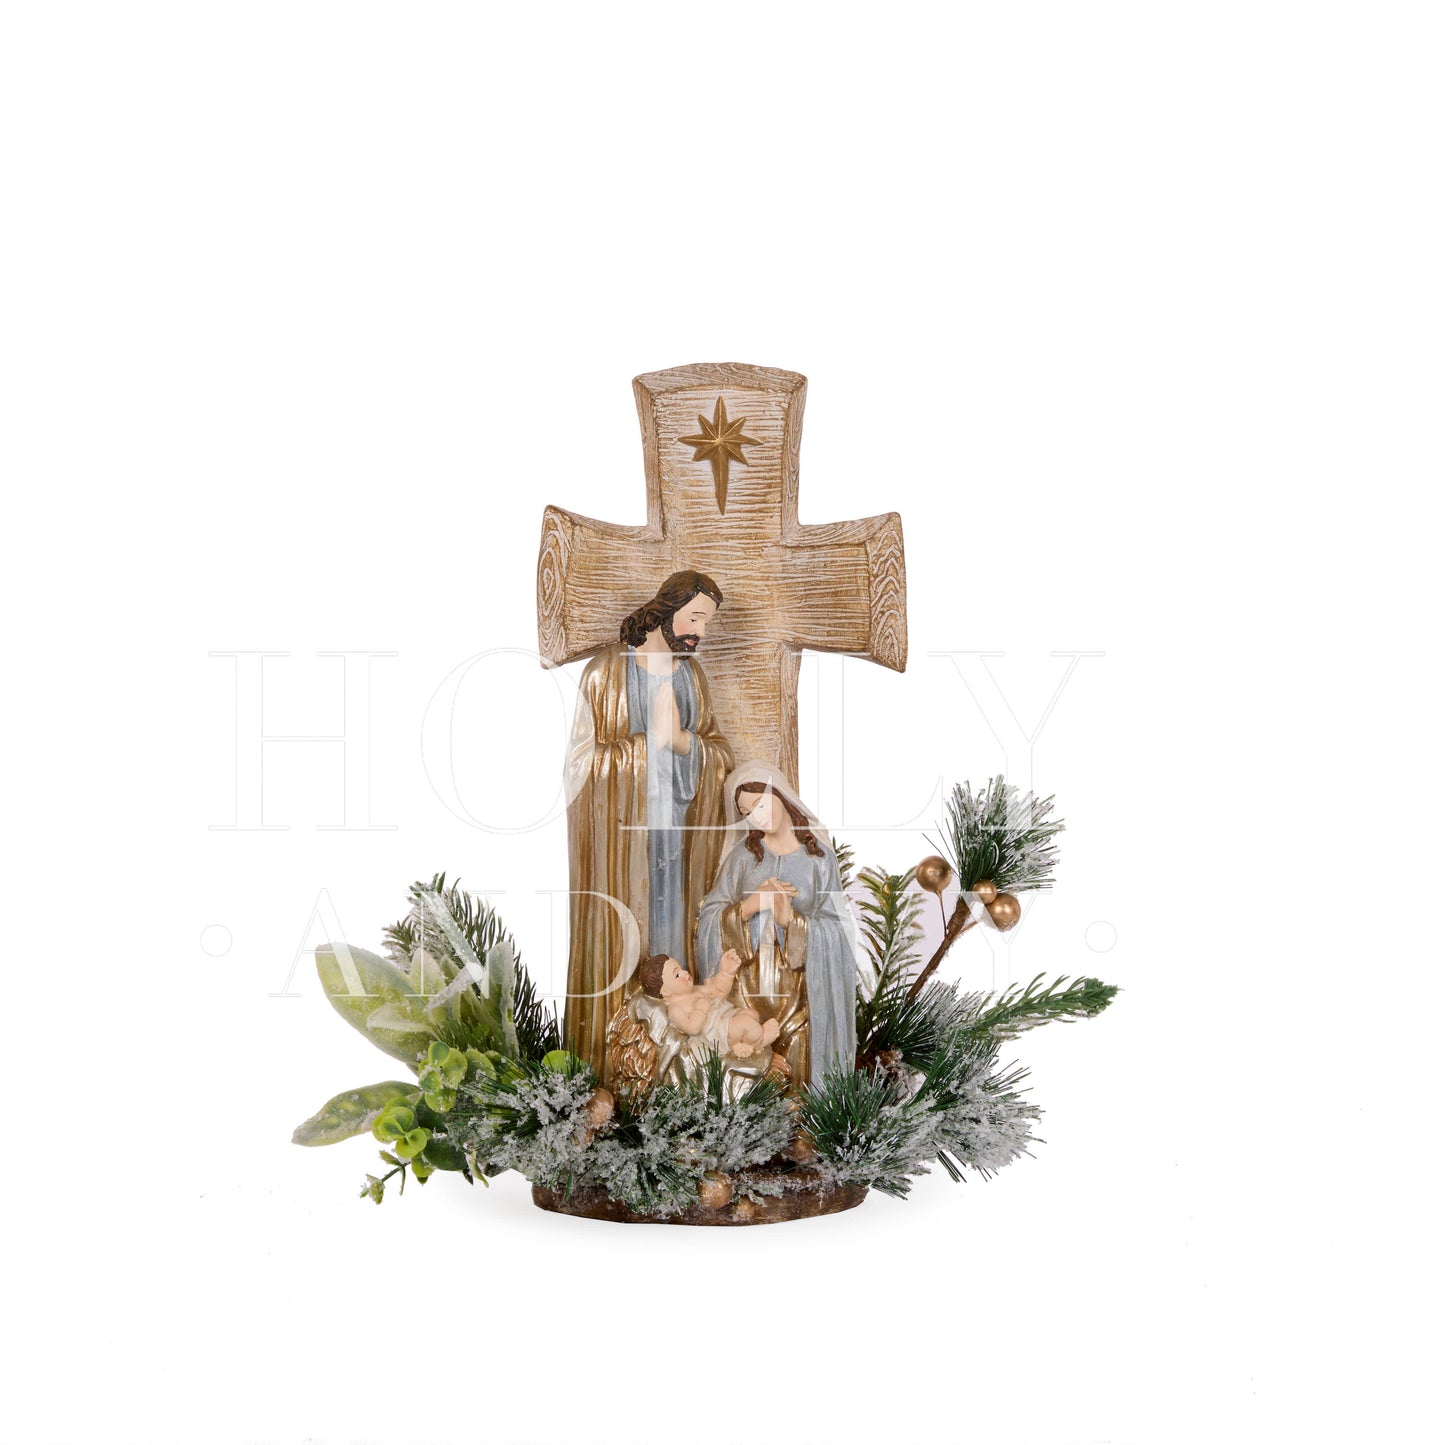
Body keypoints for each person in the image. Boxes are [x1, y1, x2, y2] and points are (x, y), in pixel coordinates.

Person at [561, 570, 735, 1079]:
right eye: (695, 618)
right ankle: (614, 1065)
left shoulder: (690, 678)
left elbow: (719, 753)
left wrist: (680, 742)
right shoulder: (605, 674)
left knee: (673, 936)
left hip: (679, 839)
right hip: (622, 847)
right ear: (666, 610)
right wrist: (644, 748)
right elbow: (579, 766)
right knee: (625, 934)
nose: (701, 631)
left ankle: (681, 1063)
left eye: (708, 623)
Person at [694, 762, 865, 1085]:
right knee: (747, 1073)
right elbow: (709, 918)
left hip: (799, 994)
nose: (757, 817)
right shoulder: (742, 858)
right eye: (747, 812)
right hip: (745, 992)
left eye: (760, 805)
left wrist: (792, 921)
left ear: (782, 796)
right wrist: (749, 906)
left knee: (798, 1072)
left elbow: (838, 928)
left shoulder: (819, 860)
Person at [636, 950, 781, 1059]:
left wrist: (726, 973)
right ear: (665, 990)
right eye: (677, 975)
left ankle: (740, 1043)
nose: (685, 972)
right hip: (716, 1032)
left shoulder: (694, 990)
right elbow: (693, 1028)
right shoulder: (675, 1009)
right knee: (748, 1025)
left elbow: (718, 991)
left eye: (680, 968)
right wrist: (700, 1009)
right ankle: (759, 1041)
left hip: (726, 1017)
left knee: (752, 1014)